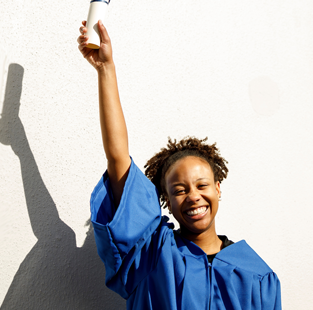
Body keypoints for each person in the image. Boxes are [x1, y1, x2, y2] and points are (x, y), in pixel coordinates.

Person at [77, 19, 282, 309]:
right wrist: (106, 69)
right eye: (180, 190)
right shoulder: (154, 255)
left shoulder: (256, 274)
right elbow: (118, 158)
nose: (194, 196)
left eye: (202, 185)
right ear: (167, 201)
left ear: (218, 188)